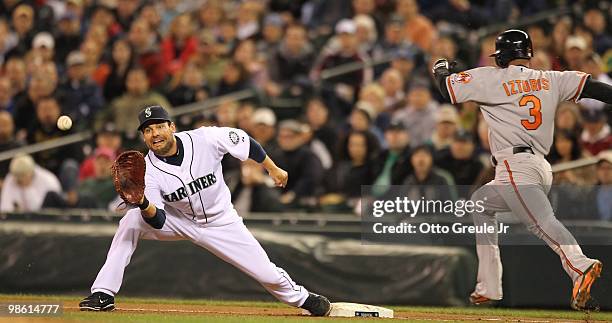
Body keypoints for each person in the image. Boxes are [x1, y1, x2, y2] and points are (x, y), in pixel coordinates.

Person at [79, 105, 331, 316]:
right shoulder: (149, 170)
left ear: (171, 127)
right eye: (148, 130)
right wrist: (143, 202)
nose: (154, 133)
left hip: (222, 222)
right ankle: (103, 293)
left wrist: (272, 168)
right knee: (131, 220)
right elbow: (159, 221)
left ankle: (304, 299)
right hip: (179, 220)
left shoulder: (204, 138)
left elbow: (245, 142)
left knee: (268, 274)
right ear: (144, 137)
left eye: (158, 126)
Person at [432, 29, 612, 311]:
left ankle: (581, 265)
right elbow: (596, 88)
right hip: (539, 166)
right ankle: (488, 286)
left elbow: (447, 89)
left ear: (502, 56)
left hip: (516, 166)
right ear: (527, 54)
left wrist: (441, 69)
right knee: (480, 203)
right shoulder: (550, 78)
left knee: (542, 222)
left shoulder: (491, 76)